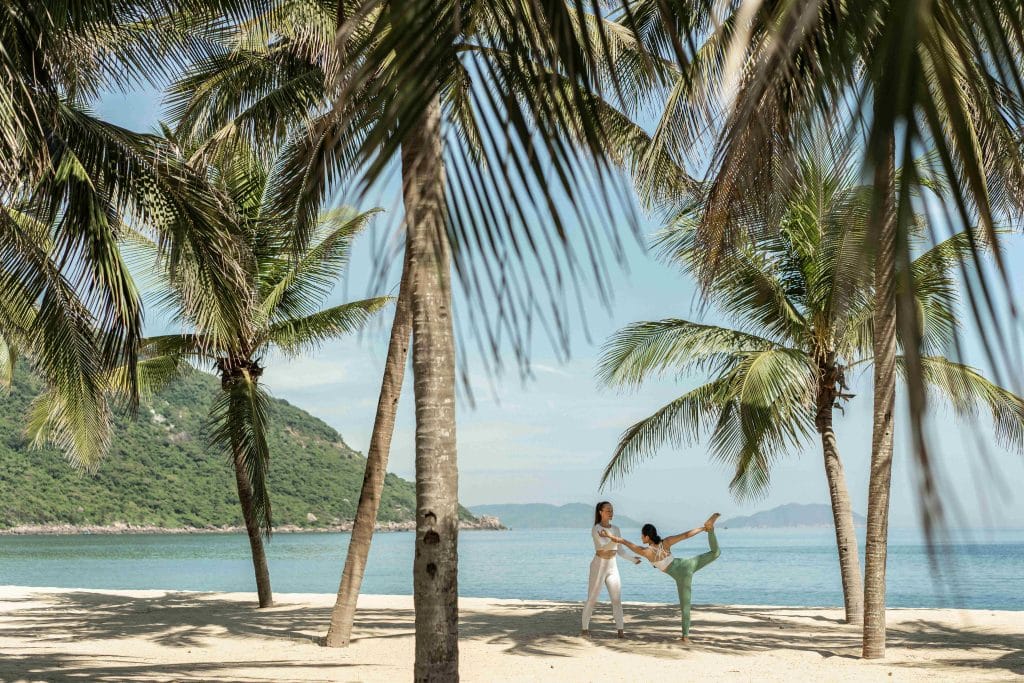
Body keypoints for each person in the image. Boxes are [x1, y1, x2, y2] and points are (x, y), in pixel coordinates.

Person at [600, 512, 721, 643]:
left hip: (683, 576)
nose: (641, 537)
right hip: (688, 565)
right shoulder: (666, 542)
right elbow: (686, 535)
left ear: (646, 537)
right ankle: (710, 529)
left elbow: (624, 541)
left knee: (685, 606)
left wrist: (609, 535)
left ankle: (685, 636)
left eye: (642, 535)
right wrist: (703, 529)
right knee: (716, 553)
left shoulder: (646, 552)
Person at [581, 501, 641, 639]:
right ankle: (584, 629)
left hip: (612, 566)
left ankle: (620, 630)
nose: (611, 512)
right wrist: (614, 539)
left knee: (616, 599)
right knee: (592, 599)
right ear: (600, 512)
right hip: (599, 565)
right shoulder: (596, 529)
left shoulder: (616, 529)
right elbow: (604, 547)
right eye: (608, 510)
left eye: (612, 510)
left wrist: (633, 559)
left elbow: (620, 551)